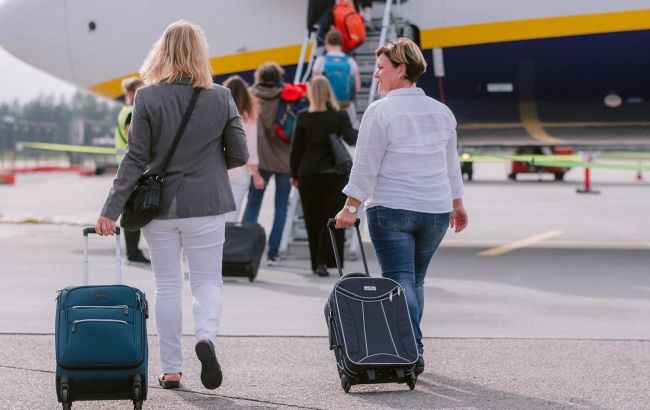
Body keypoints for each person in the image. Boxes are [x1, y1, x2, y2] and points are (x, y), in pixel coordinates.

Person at [95, 20, 249, 390]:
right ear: (200, 52)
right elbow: (241, 153)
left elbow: (134, 158)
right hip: (207, 203)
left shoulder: (147, 97)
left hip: (159, 206)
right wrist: (211, 166)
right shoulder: (221, 96)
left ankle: (172, 369)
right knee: (207, 280)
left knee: (166, 286)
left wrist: (110, 209)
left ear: (162, 52)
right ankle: (206, 337)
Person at [334, 38, 468, 376]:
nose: (376, 74)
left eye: (382, 68)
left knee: (398, 280)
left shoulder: (381, 111)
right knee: (415, 281)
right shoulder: (442, 112)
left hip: (392, 207)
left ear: (401, 70)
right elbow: (451, 163)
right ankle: (412, 348)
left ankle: (411, 351)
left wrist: (350, 208)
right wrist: (457, 203)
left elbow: (365, 165)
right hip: (435, 209)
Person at [290, 75, 357, 277]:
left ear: (311, 93)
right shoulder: (339, 115)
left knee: (313, 220)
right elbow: (352, 139)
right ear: (329, 92)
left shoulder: (303, 117)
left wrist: (294, 174)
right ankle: (331, 261)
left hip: (308, 175)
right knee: (332, 220)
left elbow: (296, 150)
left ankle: (317, 263)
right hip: (334, 175)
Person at [241, 62, 291, 266]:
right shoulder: (287, 96)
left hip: (260, 162)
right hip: (285, 160)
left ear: (259, 77)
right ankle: (273, 253)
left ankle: (244, 248)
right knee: (281, 207)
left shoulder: (250, 96)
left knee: (253, 204)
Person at [114, 77, 151, 264]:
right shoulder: (131, 112)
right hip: (132, 168)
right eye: (139, 90)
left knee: (132, 209)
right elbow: (135, 140)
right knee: (133, 210)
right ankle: (133, 252)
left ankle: (133, 251)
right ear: (130, 94)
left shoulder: (125, 111)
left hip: (127, 167)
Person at [222, 75, 265, 222]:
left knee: (217, 215)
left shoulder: (219, 113)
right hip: (240, 170)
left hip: (220, 171)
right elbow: (250, 147)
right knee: (233, 215)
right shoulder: (249, 116)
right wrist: (256, 174)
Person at [312, 28, 361, 128]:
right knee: (351, 127)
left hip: (327, 103)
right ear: (341, 44)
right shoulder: (350, 61)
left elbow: (315, 85)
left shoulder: (321, 60)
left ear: (327, 43)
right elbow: (357, 88)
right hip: (346, 103)